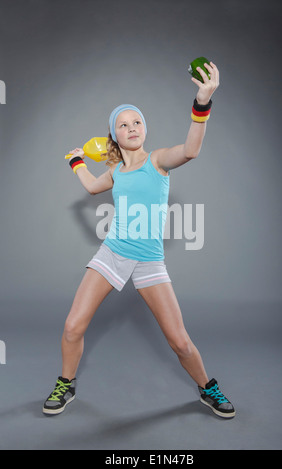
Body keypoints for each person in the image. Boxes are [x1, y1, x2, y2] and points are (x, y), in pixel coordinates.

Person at [43, 61, 235, 419]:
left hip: (149, 260)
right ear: (113, 136)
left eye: (137, 122)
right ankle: (66, 383)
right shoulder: (114, 171)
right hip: (113, 252)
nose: (132, 127)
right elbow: (90, 186)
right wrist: (77, 161)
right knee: (72, 326)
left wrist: (202, 102)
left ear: (144, 129)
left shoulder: (158, 161)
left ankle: (208, 388)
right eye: (123, 124)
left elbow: (191, 150)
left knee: (179, 341)